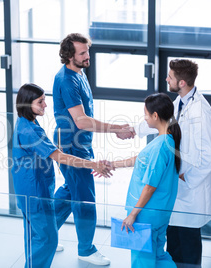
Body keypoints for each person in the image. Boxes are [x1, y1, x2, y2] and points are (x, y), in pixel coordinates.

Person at [52, 33, 134, 266]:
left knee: (71, 190)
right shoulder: (67, 80)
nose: (88, 56)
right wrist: (117, 128)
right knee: (85, 198)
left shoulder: (79, 72)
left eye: (88, 51)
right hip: (72, 145)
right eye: (82, 53)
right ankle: (86, 250)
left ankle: (43, 231)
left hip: (79, 143)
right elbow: (81, 121)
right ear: (69, 56)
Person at [11, 83, 112, 268]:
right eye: (40, 102)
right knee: (47, 240)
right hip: (35, 193)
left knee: (36, 236)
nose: (45, 105)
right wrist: (93, 164)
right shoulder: (30, 131)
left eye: (45, 100)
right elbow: (60, 156)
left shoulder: (27, 121)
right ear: (27, 104)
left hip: (30, 190)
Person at [134, 59, 211, 268]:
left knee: (188, 249)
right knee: (174, 246)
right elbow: (165, 120)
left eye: (170, 77)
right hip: (177, 191)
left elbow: (210, 154)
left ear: (182, 82)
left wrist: (186, 178)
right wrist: (132, 129)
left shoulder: (201, 110)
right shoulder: (180, 102)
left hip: (191, 190)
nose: (166, 79)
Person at [108, 93, 181, 268]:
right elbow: (140, 159)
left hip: (146, 215)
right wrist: (113, 164)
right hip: (160, 213)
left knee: (142, 261)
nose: (145, 118)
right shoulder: (167, 140)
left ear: (155, 115)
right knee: (159, 255)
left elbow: (150, 186)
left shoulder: (160, 147)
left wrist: (133, 214)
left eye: (146, 114)